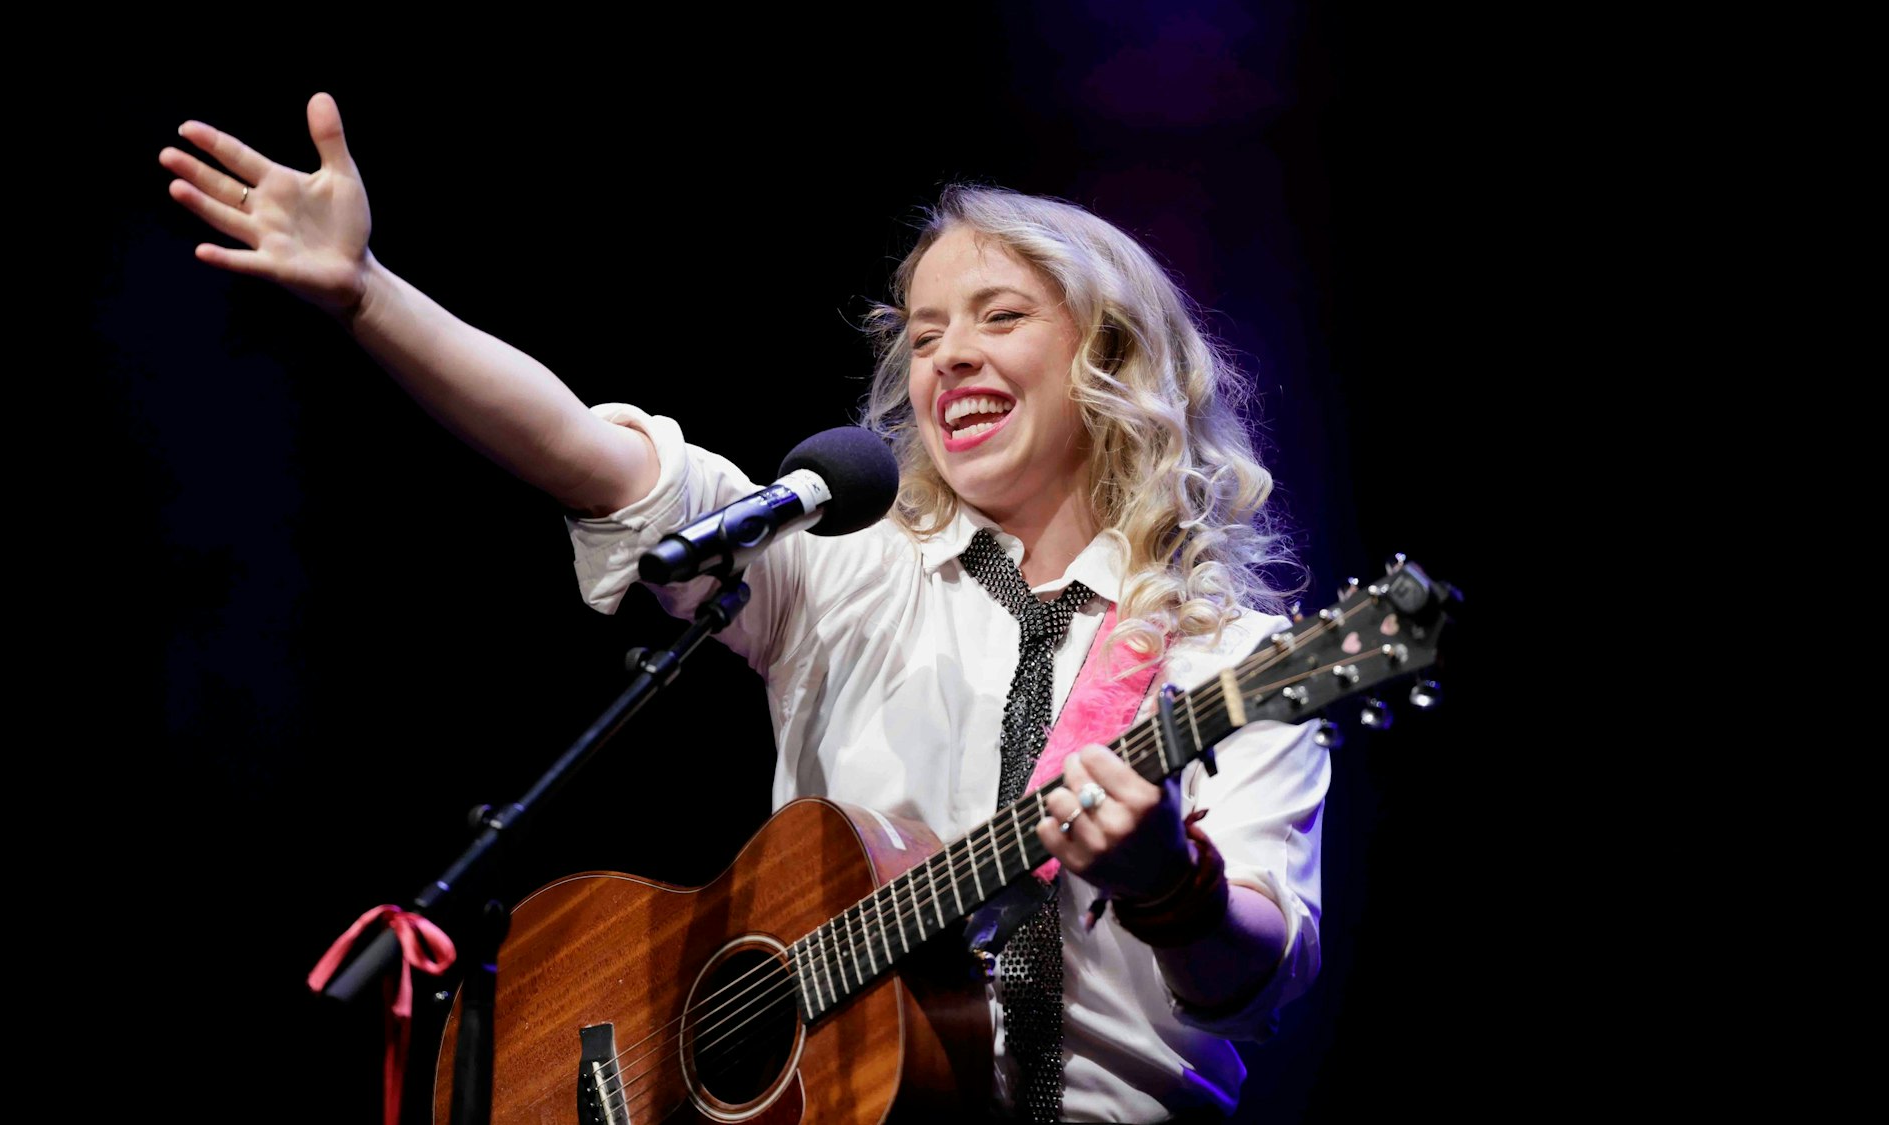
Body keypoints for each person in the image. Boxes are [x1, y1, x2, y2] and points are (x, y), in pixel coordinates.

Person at [160, 92, 1329, 1123]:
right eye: (922, 335)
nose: (948, 359)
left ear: (1109, 357)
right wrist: (367, 295)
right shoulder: (845, 563)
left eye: (997, 317)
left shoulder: (1222, 658)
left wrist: (1167, 882)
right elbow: (584, 452)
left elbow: (1254, 986)